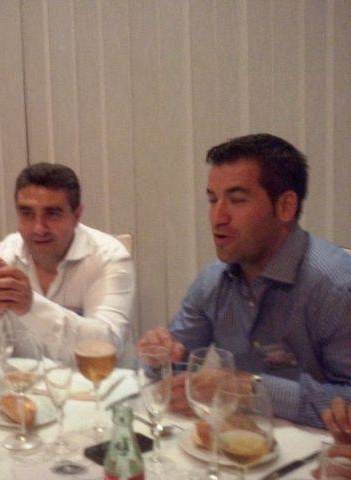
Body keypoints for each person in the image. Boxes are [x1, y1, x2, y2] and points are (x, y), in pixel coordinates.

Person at [137, 133, 351, 428]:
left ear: (285, 207)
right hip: (238, 442)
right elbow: (173, 365)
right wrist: (158, 356)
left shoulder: (337, 287)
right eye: (213, 199)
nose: (217, 217)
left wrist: (251, 389)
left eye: (237, 200)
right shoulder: (213, 281)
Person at [0, 162, 135, 357]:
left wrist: (32, 307)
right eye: (27, 213)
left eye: (52, 214)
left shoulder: (110, 257)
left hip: (93, 377)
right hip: (21, 377)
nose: (39, 228)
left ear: (76, 215)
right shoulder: (0, 258)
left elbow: (107, 346)